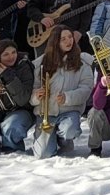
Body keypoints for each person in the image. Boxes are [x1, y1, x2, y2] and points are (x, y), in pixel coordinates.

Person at [30, 25, 94, 158]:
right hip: (45, 114)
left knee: (70, 130)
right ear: (55, 42)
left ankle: (63, 139)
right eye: (63, 39)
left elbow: (86, 88)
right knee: (43, 155)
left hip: (68, 111)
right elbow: (31, 90)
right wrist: (36, 96)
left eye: (70, 37)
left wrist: (67, 97)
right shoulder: (40, 63)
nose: (68, 41)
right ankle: (48, 137)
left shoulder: (82, 62)